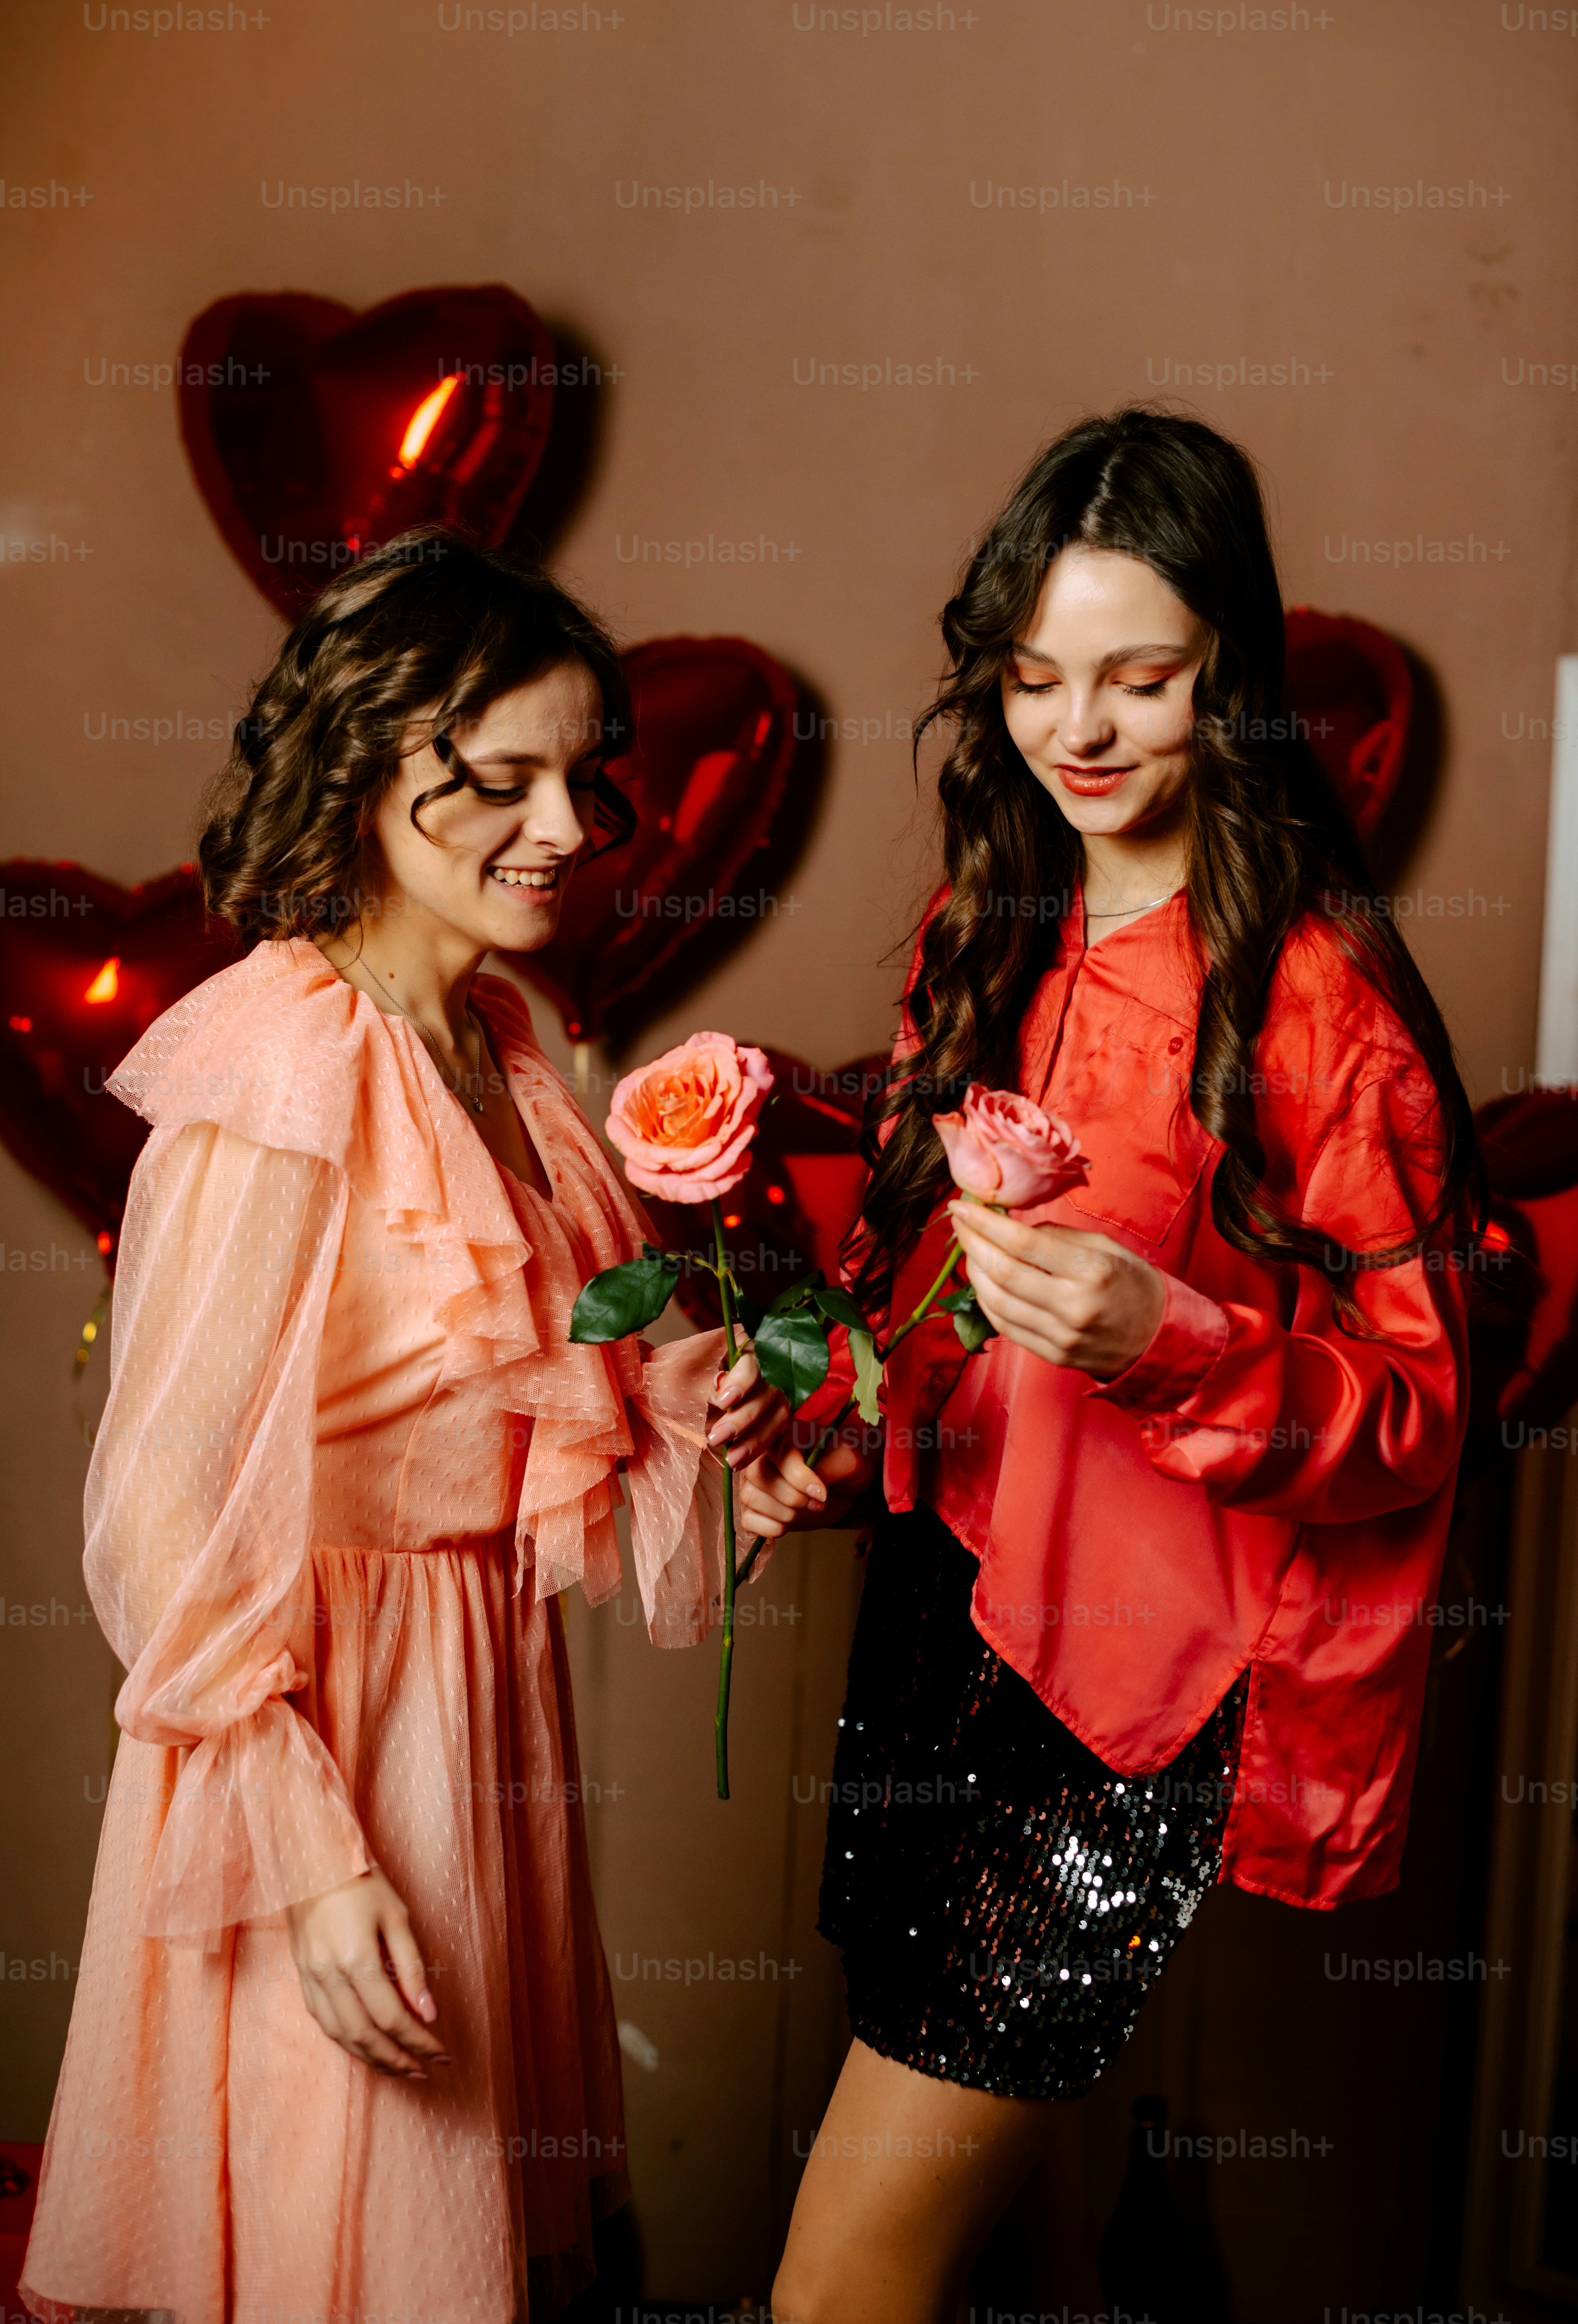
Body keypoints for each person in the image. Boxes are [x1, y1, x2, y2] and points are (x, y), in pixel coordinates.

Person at [738, 409, 1483, 2322]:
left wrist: (1179, 1341)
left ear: (1223, 674)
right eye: (1030, 678)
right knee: (1016, 2238)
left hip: (1123, 1705)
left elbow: (1417, 1414)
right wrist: (818, 1424)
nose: (1076, 731)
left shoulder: (1317, 1002)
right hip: (942, 1612)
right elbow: (917, 1287)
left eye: (1138, 680)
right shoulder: (990, 923)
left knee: (838, 2288)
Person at [21, 532, 786, 2324]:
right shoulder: (284, 1055)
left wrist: (705, 1406)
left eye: (576, 773)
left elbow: (533, 1404)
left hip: (478, 1706)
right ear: (368, 767)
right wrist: (312, 1859)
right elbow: (157, 1515)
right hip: (329, 1735)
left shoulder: (500, 1044)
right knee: (345, 2250)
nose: (563, 824)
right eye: (496, 776)